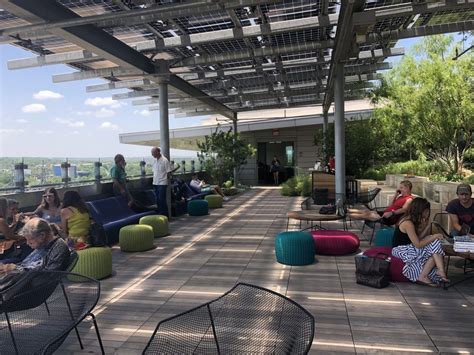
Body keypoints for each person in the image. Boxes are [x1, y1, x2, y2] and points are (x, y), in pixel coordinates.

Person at [391, 197, 449, 286]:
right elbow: (418, 244)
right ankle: (438, 271)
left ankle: (432, 273)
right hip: (401, 250)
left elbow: (418, 238)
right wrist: (434, 236)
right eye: (426, 210)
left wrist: (427, 226)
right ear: (420, 210)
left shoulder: (412, 220)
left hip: (409, 247)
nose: (428, 213)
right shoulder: (407, 223)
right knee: (433, 242)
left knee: (433, 245)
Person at [0, 218, 70, 275]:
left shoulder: (58, 247)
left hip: (32, 287)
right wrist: (9, 267)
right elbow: (25, 264)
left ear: (42, 235)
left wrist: (16, 269)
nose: (27, 243)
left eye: (30, 240)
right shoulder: (43, 245)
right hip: (23, 280)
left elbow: (48, 274)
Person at [348, 180, 414, 226]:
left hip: (389, 218)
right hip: (385, 213)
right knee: (366, 212)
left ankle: (345, 215)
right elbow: (390, 205)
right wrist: (395, 196)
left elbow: (404, 209)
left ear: (407, 188)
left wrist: (391, 213)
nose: (400, 189)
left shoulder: (409, 199)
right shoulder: (401, 197)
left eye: (402, 187)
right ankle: (346, 211)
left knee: (367, 215)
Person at [151, 147, 172, 217]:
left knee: (162, 199)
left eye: (153, 153)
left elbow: (169, 172)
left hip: (162, 183)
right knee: (157, 200)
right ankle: (160, 214)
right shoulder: (154, 161)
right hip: (155, 182)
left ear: (158, 152)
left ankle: (165, 215)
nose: (152, 154)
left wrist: (165, 180)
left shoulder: (165, 160)